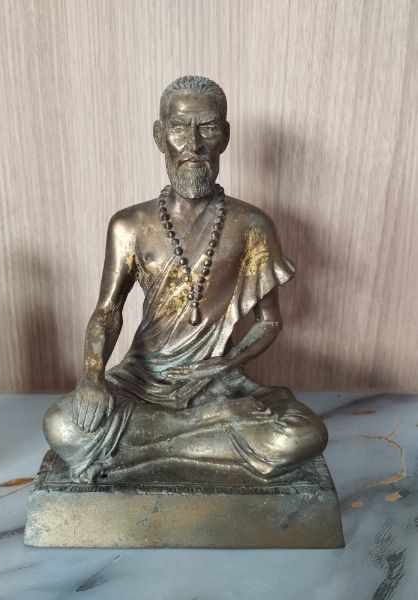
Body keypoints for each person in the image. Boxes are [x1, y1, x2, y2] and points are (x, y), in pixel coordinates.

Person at [43, 75, 327, 483]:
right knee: (62, 424)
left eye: (207, 127)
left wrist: (226, 363)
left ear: (224, 136)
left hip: (218, 382)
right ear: (160, 135)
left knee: (304, 435)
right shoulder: (129, 225)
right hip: (141, 380)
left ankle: (139, 453)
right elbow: (107, 311)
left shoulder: (251, 225)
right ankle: (210, 427)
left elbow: (269, 321)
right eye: (179, 127)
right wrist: (92, 377)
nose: (193, 144)